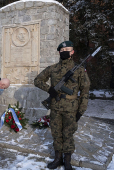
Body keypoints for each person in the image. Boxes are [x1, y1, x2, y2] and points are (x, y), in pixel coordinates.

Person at [34, 41, 90, 170]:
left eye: (67, 49)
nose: (64, 51)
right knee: (56, 133)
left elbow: (85, 92)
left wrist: (81, 111)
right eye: (62, 49)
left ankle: (67, 161)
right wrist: (49, 89)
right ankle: (57, 159)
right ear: (59, 52)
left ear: (72, 52)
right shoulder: (52, 68)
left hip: (71, 109)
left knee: (68, 134)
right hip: (55, 107)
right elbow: (37, 80)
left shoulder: (80, 70)